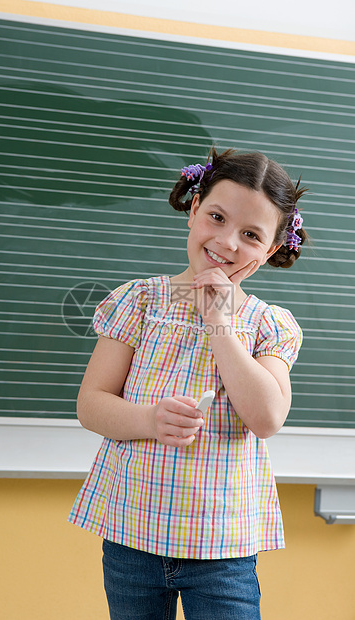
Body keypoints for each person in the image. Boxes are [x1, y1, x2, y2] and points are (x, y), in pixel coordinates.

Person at [68, 147, 308, 619]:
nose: (227, 242)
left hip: (222, 547)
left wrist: (219, 320)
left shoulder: (266, 324)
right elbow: (91, 404)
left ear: (271, 249)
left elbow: (267, 417)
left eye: (251, 235)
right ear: (195, 207)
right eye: (216, 216)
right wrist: (150, 419)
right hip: (132, 534)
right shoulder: (139, 302)